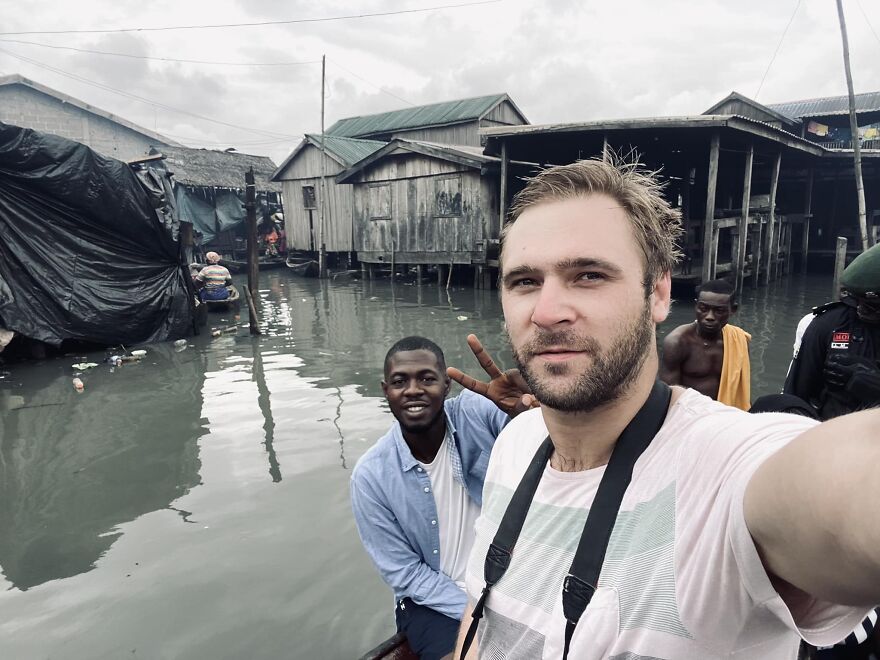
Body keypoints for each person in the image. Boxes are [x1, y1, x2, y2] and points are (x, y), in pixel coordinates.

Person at [448, 158, 879, 659]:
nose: (545, 313)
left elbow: (846, 486)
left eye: (588, 275)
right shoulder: (516, 445)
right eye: (524, 282)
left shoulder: (727, 472)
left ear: (657, 293)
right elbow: (480, 620)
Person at [351, 336, 531, 660]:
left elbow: (540, 448)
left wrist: (526, 416)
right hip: (432, 602)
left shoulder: (476, 411)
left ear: (447, 386)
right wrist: (477, 610)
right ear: (385, 391)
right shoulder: (371, 476)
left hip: (506, 580)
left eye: (427, 378)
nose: (413, 390)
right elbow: (404, 573)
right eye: (399, 381)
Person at [784, 243, 880, 420]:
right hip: (831, 433)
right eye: (856, 302)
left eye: (871, 307)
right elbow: (796, 395)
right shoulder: (826, 324)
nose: (860, 310)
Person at [659, 278, 752, 409]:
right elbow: (668, 396)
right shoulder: (678, 342)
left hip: (727, 415)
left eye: (718, 311)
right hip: (688, 416)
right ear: (696, 306)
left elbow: (741, 388)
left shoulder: (739, 341)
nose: (709, 316)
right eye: (703, 308)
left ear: (733, 309)